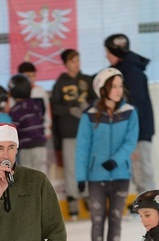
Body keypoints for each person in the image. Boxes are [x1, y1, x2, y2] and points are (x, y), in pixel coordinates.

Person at [75, 67, 139, 241]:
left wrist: (117, 159)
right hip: (96, 177)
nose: (118, 90)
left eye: (120, 86)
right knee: (97, 221)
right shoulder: (90, 116)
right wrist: (81, 176)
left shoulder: (130, 112)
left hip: (120, 174)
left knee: (115, 220)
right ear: (102, 89)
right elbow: (82, 147)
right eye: (113, 86)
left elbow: (131, 141)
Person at [104, 34, 155, 197]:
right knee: (137, 166)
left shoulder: (131, 73)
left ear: (116, 52)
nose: (106, 56)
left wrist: (132, 134)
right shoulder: (126, 70)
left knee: (141, 166)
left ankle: (152, 202)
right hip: (135, 130)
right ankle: (146, 201)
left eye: (108, 52)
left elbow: (136, 106)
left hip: (139, 130)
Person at [51, 49, 95, 217]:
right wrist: (69, 109)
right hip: (68, 130)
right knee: (71, 166)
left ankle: (88, 194)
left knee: (88, 164)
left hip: (87, 130)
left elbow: (96, 101)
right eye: (72, 61)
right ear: (66, 64)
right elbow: (55, 106)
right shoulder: (60, 83)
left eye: (77, 60)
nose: (76, 64)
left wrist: (88, 107)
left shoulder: (87, 80)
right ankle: (72, 196)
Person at [8, 73, 47, 173]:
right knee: (41, 177)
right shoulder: (36, 105)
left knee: (27, 179)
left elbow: (13, 131)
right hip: (41, 145)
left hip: (26, 147)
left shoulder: (15, 110)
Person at [17, 61, 52, 139]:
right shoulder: (15, 93)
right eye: (28, 76)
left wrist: (47, 129)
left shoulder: (40, 91)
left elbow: (46, 112)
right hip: (21, 134)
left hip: (39, 132)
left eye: (33, 75)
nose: (32, 79)